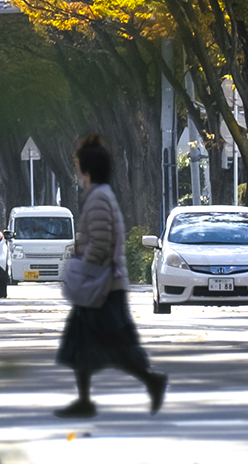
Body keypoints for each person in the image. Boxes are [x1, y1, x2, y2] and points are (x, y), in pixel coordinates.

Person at [57, 134, 167, 419]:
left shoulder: (98, 199)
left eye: (79, 166)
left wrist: (84, 266)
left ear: (88, 169)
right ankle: (85, 399)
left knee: (116, 346)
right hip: (102, 285)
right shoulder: (100, 196)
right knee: (84, 344)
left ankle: (150, 380)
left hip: (102, 287)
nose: (77, 172)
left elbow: (102, 242)